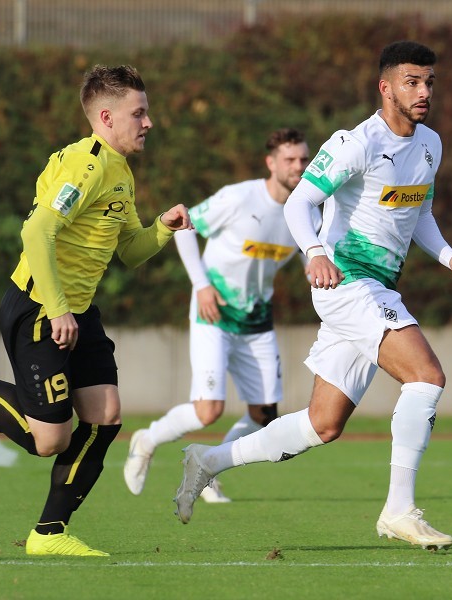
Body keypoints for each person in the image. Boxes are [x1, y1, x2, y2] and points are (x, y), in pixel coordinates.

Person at [172, 41, 452, 551]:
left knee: (322, 425)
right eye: (412, 81)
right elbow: (302, 201)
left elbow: (420, 214)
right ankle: (399, 509)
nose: (424, 91)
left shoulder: (431, 144)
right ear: (386, 87)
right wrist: (317, 251)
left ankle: (208, 461)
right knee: (427, 375)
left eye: (430, 81)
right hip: (346, 282)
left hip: (378, 287)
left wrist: (449, 257)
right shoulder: (356, 142)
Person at [0, 64, 192, 556]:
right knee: (49, 441)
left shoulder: (119, 172)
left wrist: (163, 227)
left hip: (77, 311)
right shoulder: (87, 164)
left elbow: (130, 251)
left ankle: (48, 533)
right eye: (139, 113)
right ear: (106, 116)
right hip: (41, 307)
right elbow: (37, 232)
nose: (149, 123)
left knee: (106, 418)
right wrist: (58, 309)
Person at [123, 128, 315, 502]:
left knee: (264, 415)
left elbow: (313, 255)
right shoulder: (239, 197)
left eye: (304, 159)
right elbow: (182, 226)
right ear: (271, 163)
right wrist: (201, 285)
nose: (298, 166)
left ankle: (207, 468)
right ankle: (147, 439)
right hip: (214, 313)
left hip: (257, 321)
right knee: (209, 410)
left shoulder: (304, 209)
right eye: (290, 160)